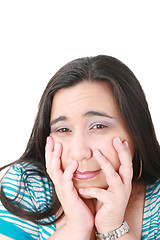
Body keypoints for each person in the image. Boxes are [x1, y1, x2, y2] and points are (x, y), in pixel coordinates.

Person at [0, 55, 160, 240]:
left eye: (99, 126)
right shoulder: (28, 185)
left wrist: (113, 229)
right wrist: (75, 229)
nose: (79, 152)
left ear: (136, 130)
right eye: (63, 129)